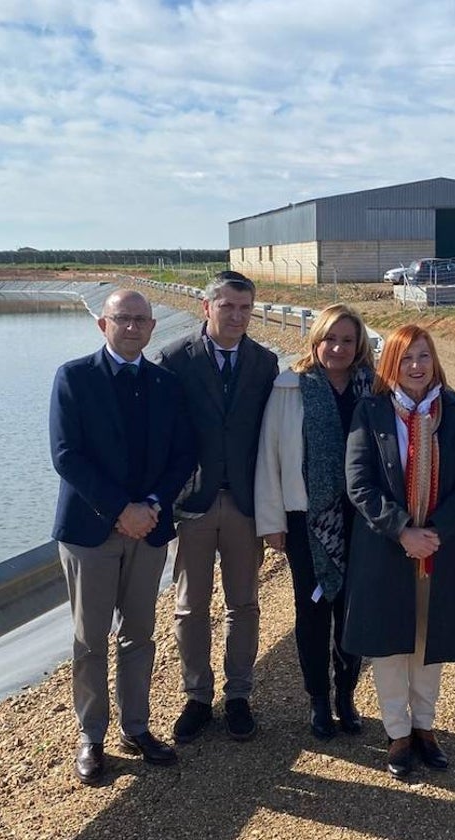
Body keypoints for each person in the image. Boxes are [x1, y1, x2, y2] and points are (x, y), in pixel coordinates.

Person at [49, 288, 198, 784]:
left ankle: (136, 727)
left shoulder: (165, 383)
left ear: (153, 328)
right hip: (91, 532)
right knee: (90, 639)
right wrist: (121, 510)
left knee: (139, 635)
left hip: (149, 530)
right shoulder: (74, 378)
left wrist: (151, 507)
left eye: (141, 320)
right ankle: (91, 736)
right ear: (103, 325)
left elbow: (183, 455)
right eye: (123, 319)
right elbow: (67, 456)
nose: (132, 327)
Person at [342, 324, 455, 780]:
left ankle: (425, 727)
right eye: (406, 358)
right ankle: (397, 733)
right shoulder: (371, 411)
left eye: (423, 356)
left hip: (442, 547)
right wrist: (403, 530)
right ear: (391, 364)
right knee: (390, 644)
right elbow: (358, 484)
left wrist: (436, 530)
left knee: (429, 640)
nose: (417, 366)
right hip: (386, 548)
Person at [155, 271, 279, 743]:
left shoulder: (264, 363)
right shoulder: (174, 359)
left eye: (245, 308)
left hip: (246, 502)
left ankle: (240, 696)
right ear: (206, 308)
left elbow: (271, 438)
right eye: (226, 306)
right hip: (194, 504)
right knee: (190, 606)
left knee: (244, 603)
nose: (236, 316)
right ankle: (197, 697)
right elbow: (161, 436)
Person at [254, 304, 375, 739]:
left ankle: (346, 694)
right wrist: (272, 522)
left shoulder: (374, 389)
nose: (338, 348)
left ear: (358, 344)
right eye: (330, 339)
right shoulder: (291, 388)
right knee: (312, 610)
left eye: (347, 340)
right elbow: (270, 457)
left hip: (364, 520)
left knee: (352, 611)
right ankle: (318, 699)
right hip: (308, 520)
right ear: (316, 342)